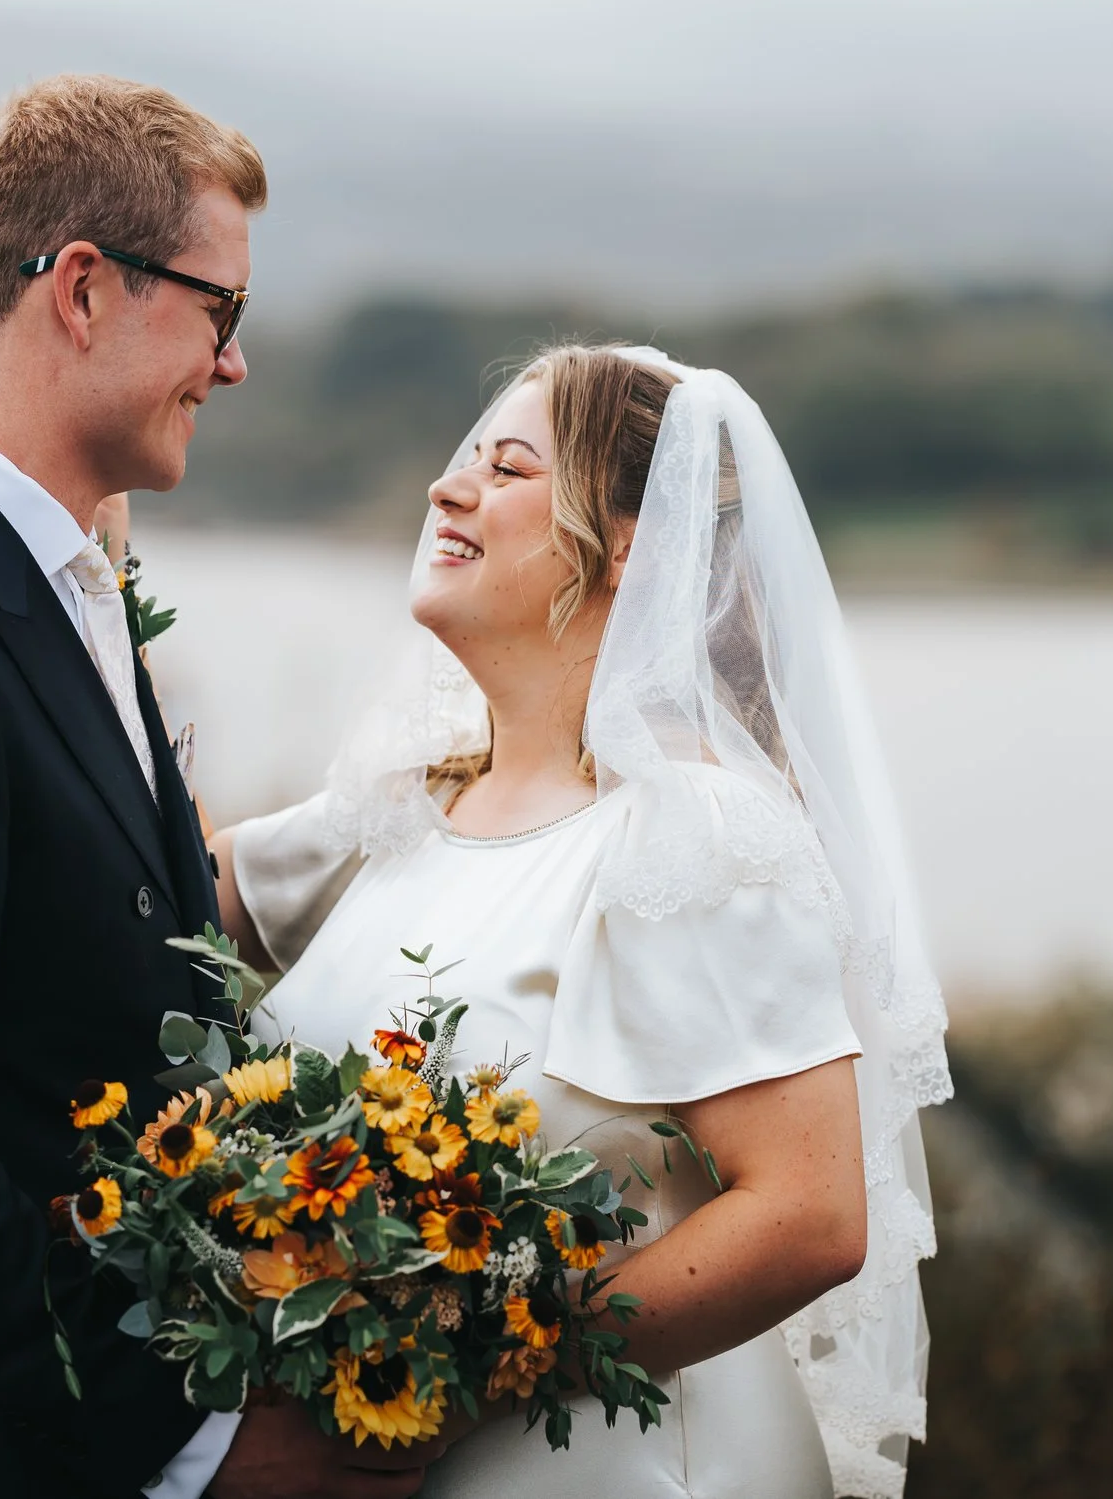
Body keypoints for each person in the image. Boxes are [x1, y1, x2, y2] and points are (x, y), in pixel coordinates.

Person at [0, 74, 444, 1498]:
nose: (233, 366)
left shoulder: (44, 586)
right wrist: (201, 1435)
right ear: (86, 291)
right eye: (220, 310)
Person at [215, 344, 951, 1498]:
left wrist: (442, 1389)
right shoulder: (408, 798)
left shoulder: (693, 834)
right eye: (464, 462)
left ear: (630, 544)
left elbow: (808, 1215)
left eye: (506, 469)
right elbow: (146, 889)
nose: (444, 490)